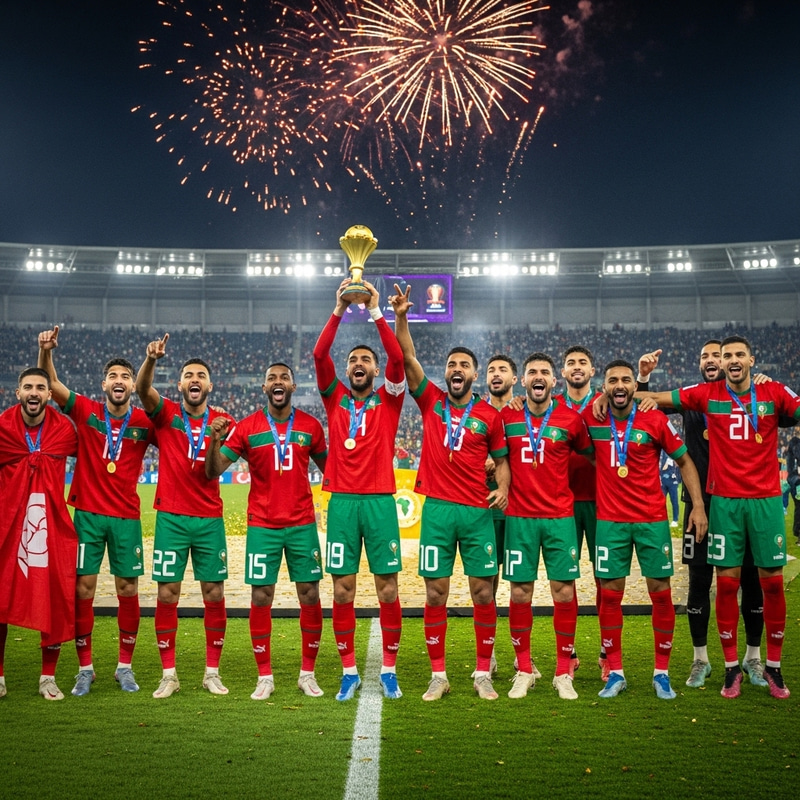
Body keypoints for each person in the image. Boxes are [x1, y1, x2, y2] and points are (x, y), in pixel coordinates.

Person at [641, 335, 800, 699]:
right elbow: (654, 402)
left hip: (762, 502)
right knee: (712, 583)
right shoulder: (701, 396)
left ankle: (764, 663)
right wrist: (631, 384)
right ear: (707, 364)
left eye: (735, 354)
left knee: (764, 583)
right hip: (713, 502)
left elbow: (790, 413)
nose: (728, 360)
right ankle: (717, 665)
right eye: (719, 355)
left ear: (751, 359)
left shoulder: (771, 392)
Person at [389, 285, 510, 701]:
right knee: (435, 593)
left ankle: (482, 674)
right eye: (451, 364)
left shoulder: (489, 415)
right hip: (438, 512)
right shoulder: (431, 402)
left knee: (483, 593)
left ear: (474, 375)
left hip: (477, 513)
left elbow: (503, 459)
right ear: (446, 373)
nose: (457, 369)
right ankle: (438, 675)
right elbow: (407, 358)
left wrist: (505, 488)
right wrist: (402, 317)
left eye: (464, 365)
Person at [38, 326, 155, 696]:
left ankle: (125, 667)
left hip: (125, 518)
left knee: (127, 589)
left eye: (125, 376)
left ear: (133, 386)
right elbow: (52, 383)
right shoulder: (86, 410)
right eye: (112, 376)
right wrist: (45, 351)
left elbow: (175, 426)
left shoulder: (143, 422)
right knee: (83, 589)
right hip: (87, 515)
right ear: (103, 385)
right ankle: (85, 669)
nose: (118, 381)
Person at [584, 359, 707, 700]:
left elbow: (684, 461)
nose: (620, 385)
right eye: (612, 381)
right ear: (604, 386)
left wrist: (697, 505)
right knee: (610, 595)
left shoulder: (654, 419)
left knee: (660, 593)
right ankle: (616, 672)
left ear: (635, 386)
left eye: (626, 380)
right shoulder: (592, 418)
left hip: (652, 521)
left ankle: (661, 673)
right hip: (610, 522)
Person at [205, 362, 328, 700]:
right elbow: (214, 470)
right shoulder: (246, 428)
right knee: (261, 597)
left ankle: (307, 673)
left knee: (310, 596)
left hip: (302, 524)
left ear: (293, 386)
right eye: (271, 378)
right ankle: (265, 677)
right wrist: (214, 441)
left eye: (283, 378)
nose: (278, 382)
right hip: (262, 526)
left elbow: (331, 470)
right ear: (263, 389)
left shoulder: (311, 427)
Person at [313, 279, 406, 701]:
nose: (359, 363)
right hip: (343, 504)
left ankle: (388, 670)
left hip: (381, 502)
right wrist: (338, 309)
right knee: (343, 589)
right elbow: (319, 354)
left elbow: (399, 357)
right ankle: (349, 671)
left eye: (366, 359)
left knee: (388, 587)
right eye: (353, 359)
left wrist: (374, 311)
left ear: (375, 368)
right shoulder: (334, 400)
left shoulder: (389, 399)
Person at [136, 334, 236, 699]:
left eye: (200, 375)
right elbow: (142, 389)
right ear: (179, 384)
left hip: (209, 518)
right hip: (172, 518)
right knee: (167, 594)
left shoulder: (224, 421)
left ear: (210, 385)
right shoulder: (165, 415)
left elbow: (214, 471)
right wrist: (151, 360)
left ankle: (212, 672)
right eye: (188, 375)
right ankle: (169, 674)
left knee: (214, 593)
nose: (194, 380)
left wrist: (214, 439)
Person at [501, 352, 593, 699]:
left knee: (564, 593)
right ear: (522, 382)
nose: (538, 377)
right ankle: (524, 669)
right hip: (520, 519)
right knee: (519, 593)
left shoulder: (571, 420)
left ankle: (561, 672)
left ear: (554, 382)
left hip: (559, 519)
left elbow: (592, 456)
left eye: (544, 373)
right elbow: (494, 455)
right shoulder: (507, 415)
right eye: (531, 373)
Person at [0, 367, 78, 700]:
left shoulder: (64, 430)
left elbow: (97, 449)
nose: (34, 392)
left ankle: (48, 677)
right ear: (17, 393)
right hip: (8, 527)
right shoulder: (2, 428)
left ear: (49, 395)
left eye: (41, 387)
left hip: (51, 528)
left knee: (56, 598)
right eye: (28, 387)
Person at [484, 354, 535, 677]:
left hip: (518, 508)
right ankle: (486, 653)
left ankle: (522, 656)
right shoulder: (476, 412)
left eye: (503, 369)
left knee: (521, 585)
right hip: (485, 508)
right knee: (486, 582)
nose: (496, 374)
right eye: (491, 370)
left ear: (515, 379)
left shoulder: (524, 411)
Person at [660, 452, 681, 528]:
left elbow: (679, 462)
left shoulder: (673, 450)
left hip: (673, 480)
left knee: (674, 501)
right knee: (661, 501)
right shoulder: (661, 451)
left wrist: (669, 462)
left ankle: (675, 520)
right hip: (662, 479)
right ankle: (661, 519)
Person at [786, 430, 800, 545]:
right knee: (799, 507)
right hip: (797, 480)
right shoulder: (795, 443)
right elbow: (791, 464)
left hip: (794, 478)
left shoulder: (794, 443)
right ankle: (799, 534)